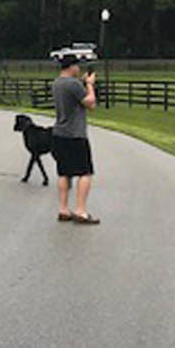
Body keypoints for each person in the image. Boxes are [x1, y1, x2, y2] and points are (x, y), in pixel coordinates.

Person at [50, 54, 99, 224]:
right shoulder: (73, 84)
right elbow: (91, 104)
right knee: (85, 172)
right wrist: (90, 85)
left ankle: (63, 209)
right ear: (71, 66)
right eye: (77, 66)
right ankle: (81, 210)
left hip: (59, 133)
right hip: (75, 135)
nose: (79, 69)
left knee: (64, 173)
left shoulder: (57, 83)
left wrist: (83, 83)